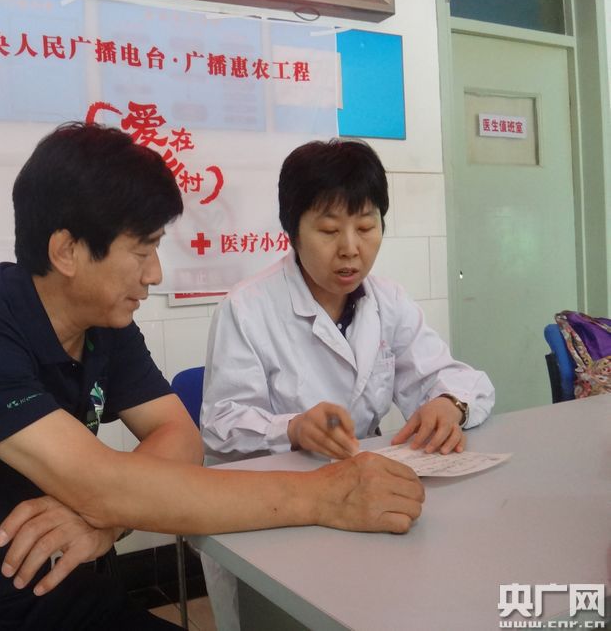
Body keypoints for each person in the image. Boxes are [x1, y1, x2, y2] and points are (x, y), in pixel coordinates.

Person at [0, 123, 425, 630]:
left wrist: (100, 517)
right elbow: (103, 482)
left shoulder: (104, 325)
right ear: (67, 251)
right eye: (143, 250)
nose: (154, 275)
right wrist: (325, 496)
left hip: (52, 595)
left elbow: (179, 439)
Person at [199, 138, 495, 629]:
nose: (351, 249)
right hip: (274, 509)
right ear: (292, 231)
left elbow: (456, 377)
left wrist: (449, 403)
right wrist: (292, 428)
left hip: (365, 500)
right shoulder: (247, 308)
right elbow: (220, 424)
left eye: (366, 226)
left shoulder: (387, 301)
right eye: (329, 230)